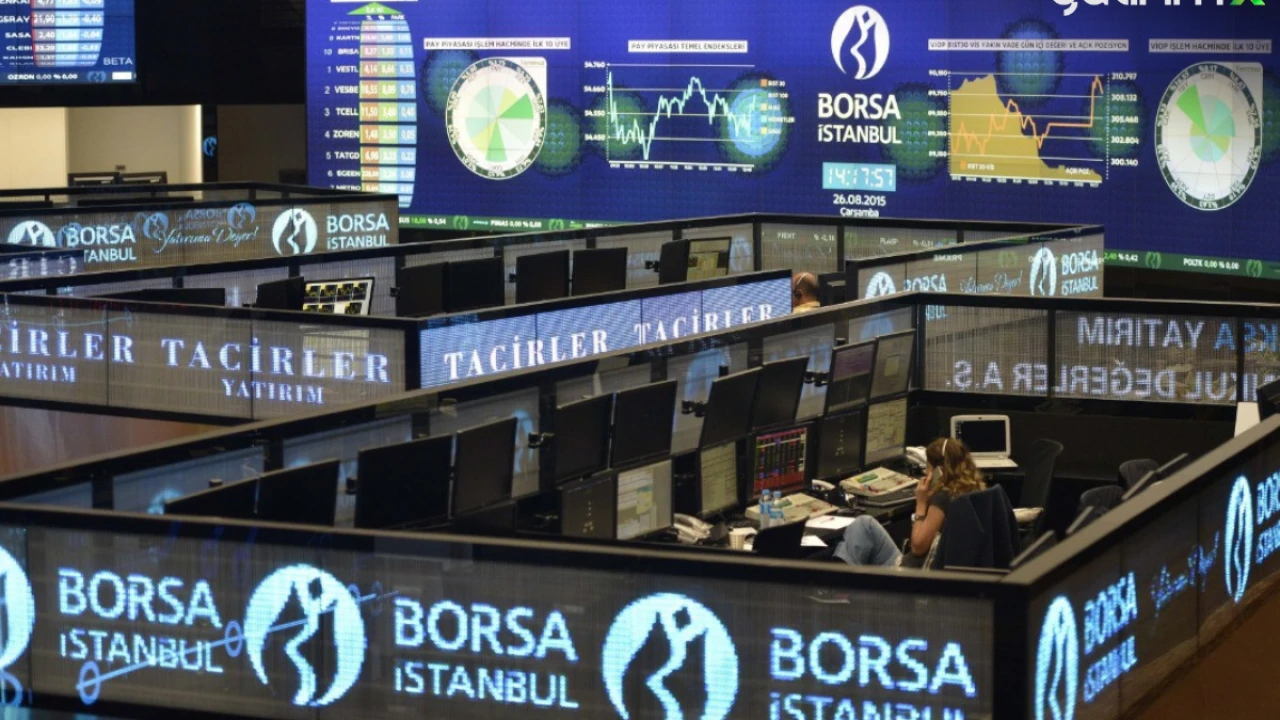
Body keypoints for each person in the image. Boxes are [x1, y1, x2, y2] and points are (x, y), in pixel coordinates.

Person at [833, 437, 987, 568]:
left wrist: (921, 503)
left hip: (909, 577)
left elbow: (918, 547)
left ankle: (840, 586)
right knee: (866, 524)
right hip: (916, 568)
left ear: (939, 471)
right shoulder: (974, 491)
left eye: (928, 468)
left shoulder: (943, 497)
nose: (925, 472)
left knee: (862, 525)